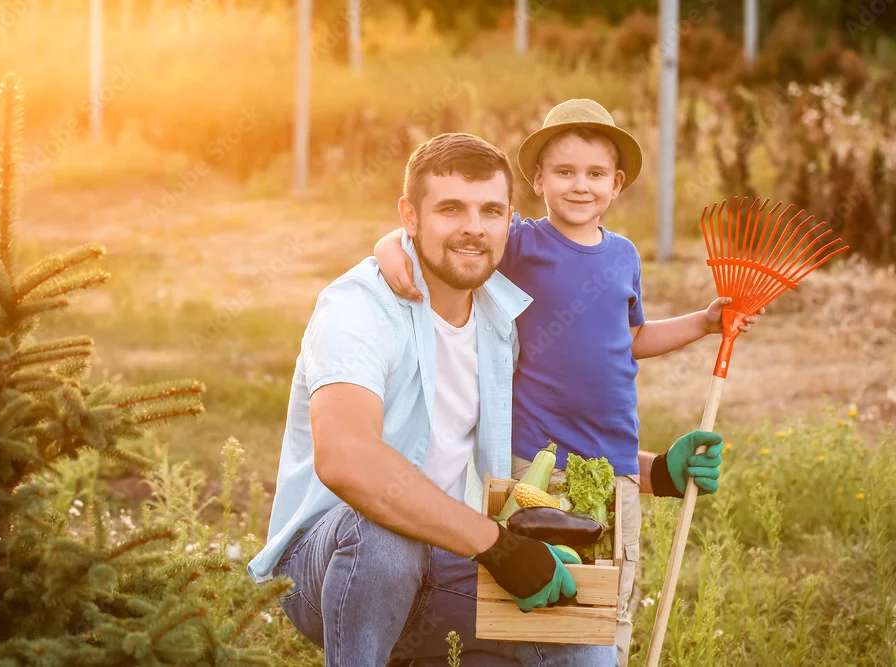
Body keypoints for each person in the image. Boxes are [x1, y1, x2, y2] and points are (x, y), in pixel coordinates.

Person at [373, 99, 754, 665]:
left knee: (611, 589)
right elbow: (439, 237)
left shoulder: (624, 255)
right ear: (538, 180)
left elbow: (632, 337)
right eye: (565, 172)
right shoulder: (523, 242)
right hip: (537, 459)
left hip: (615, 455)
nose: (581, 185)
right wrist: (388, 249)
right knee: (539, 588)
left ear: (616, 184)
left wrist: (703, 323)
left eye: (596, 174)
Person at [247, 132, 620, 666]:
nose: (474, 227)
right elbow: (346, 458)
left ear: (509, 222)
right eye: (450, 209)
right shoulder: (358, 309)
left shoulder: (501, 317)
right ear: (410, 216)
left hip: (447, 559)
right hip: (327, 565)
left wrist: (656, 469)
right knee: (385, 535)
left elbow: (548, 434)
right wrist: (495, 544)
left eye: (491, 211)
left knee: (579, 640)